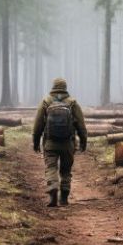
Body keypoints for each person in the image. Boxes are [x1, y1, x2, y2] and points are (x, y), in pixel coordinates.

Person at [31, 77, 88, 207]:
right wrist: (83, 141)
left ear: (53, 87)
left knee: (51, 167)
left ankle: (53, 191)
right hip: (68, 143)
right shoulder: (72, 102)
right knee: (66, 170)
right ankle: (64, 197)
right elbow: (81, 125)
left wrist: (35, 141)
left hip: (50, 143)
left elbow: (38, 125)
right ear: (65, 88)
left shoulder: (46, 101)